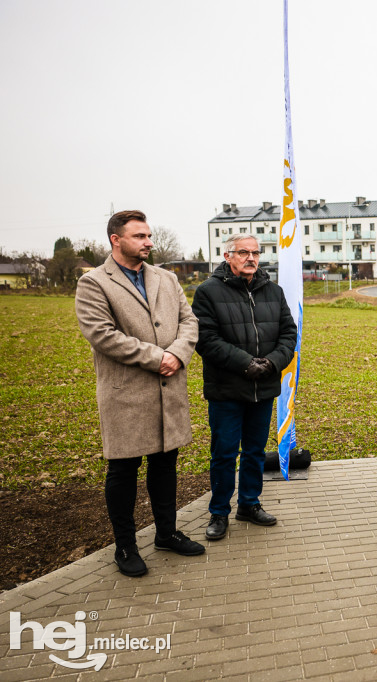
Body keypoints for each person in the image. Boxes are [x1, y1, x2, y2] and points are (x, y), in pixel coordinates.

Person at [75, 210, 205, 577]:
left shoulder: (165, 278)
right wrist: (157, 357)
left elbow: (189, 321)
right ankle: (126, 546)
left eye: (149, 235)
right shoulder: (94, 283)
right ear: (116, 239)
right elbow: (102, 335)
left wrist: (177, 354)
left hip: (169, 389)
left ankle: (166, 533)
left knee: (165, 466)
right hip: (126, 394)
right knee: (124, 470)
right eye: (140, 236)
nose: (149, 242)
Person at [191, 234, 297, 541]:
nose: (250, 258)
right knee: (224, 453)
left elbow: (289, 335)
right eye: (243, 252)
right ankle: (219, 512)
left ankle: (249, 504)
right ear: (228, 256)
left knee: (254, 452)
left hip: (262, 389)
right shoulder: (208, 292)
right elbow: (206, 339)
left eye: (255, 253)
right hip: (226, 390)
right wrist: (246, 363)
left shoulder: (273, 292)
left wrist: (271, 363)